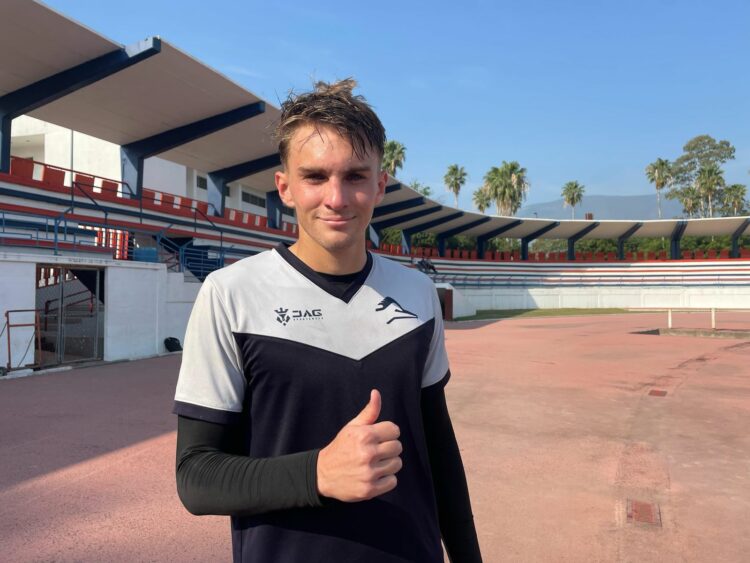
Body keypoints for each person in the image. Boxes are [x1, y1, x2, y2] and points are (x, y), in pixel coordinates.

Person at [173, 79, 482, 562]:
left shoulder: (417, 294)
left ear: (379, 185)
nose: (336, 198)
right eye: (315, 177)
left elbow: (439, 453)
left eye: (355, 176)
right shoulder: (231, 294)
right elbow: (196, 477)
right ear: (285, 187)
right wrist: (317, 473)